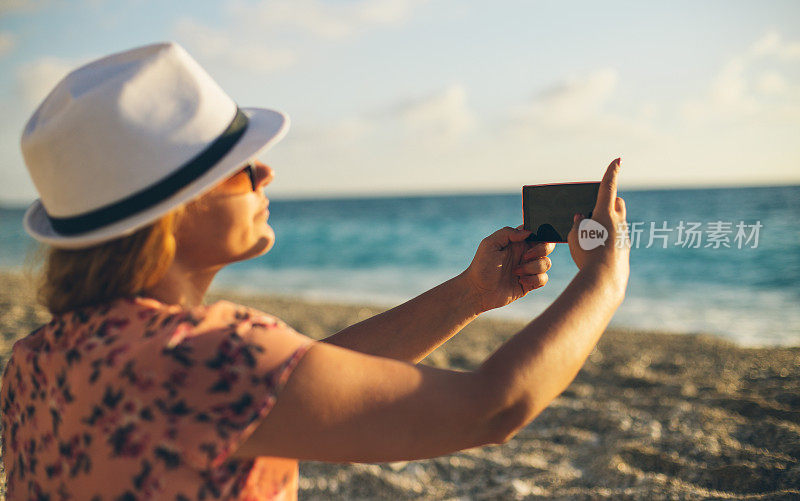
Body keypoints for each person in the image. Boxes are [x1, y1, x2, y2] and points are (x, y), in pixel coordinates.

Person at [0, 42, 630, 500]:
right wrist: (602, 280)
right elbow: (491, 409)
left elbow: (292, 380)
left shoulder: (35, 363)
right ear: (173, 212)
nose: (266, 174)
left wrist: (468, 295)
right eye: (242, 165)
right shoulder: (209, 359)